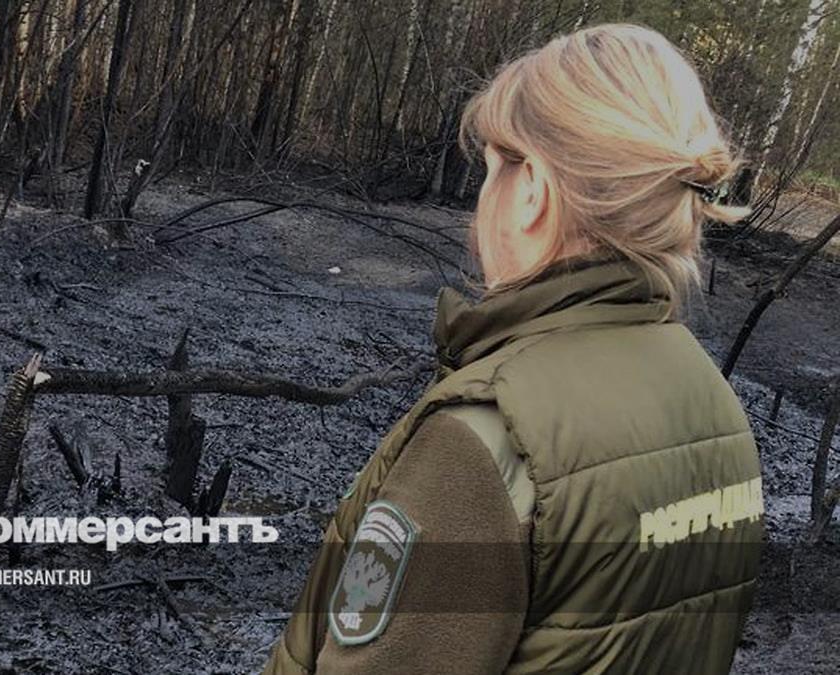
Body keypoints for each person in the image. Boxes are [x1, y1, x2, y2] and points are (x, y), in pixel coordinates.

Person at [263, 23, 764, 675]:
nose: (482, 201)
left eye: (494, 167)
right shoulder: (717, 408)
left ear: (534, 193)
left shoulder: (489, 440)